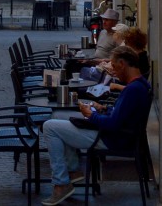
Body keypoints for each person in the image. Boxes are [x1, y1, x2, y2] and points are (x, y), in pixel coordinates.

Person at [40, 45, 152, 205]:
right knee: (58, 115)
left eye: (114, 66)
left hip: (110, 138)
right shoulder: (141, 85)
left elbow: (113, 124)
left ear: (122, 64)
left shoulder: (132, 90)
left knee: (50, 126)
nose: (112, 71)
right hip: (113, 133)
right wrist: (104, 108)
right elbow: (122, 115)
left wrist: (91, 115)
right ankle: (72, 170)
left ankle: (61, 183)